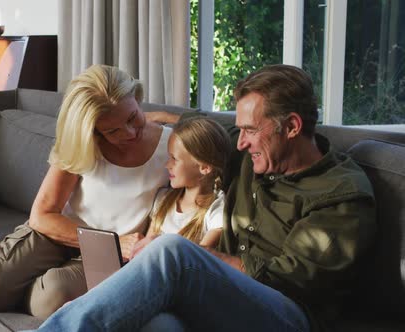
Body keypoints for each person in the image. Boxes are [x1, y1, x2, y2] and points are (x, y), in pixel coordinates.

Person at [30, 64, 377, 331]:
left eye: (251, 131)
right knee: (155, 324)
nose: (239, 143)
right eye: (239, 129)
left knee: (173, 251)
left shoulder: (341, 193)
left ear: (292, 127)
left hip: (286, 313)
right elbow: (201, 125)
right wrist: (149, 120)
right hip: (221, 300)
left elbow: (291, 278)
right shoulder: (249, 151)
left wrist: (200, 257)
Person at [0, 64, 172, 319]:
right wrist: (114, 239)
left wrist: (168, 117)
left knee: (49, 300)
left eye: (132, 117)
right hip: (59, 234)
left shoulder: (172, 145)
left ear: (138, 100)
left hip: (111, 254)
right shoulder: (83, 143)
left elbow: (206, 130)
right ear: (93, 130)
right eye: (112, 130)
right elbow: (42, 215)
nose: (129, 133)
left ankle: (17, 283)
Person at [131, 117, 231, 259]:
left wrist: (159, 246)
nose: (167, 165)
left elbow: (199, 260)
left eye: (174, 159)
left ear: (204, 167)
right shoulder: (164, 199)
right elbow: (144, 254)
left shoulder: (215, 211)